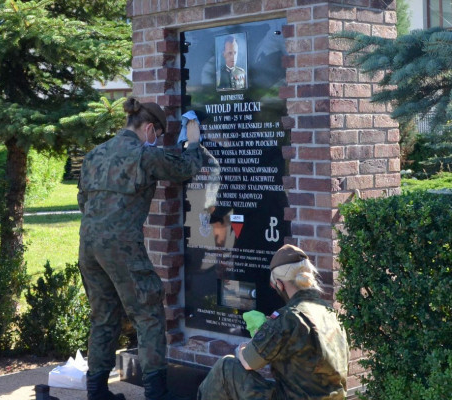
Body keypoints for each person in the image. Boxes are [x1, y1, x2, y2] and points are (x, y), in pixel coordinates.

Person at [77, 97, 208, 400]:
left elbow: (83, 201)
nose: (158, 141)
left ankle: (96, 391)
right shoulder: (144, 155)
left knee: (103, 315)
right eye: (158, 136)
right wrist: (192, 142)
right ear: (150, 129)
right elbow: (185, 168)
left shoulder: (95, 155)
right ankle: (156, 393)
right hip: (123, 247)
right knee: (148, 314)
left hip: (88, 245)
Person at [196, 244, 349, 400]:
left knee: (226, 367)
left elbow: (250, 361)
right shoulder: (331, 312)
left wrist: (244, 347)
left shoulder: (287, 317)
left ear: (280, 285)